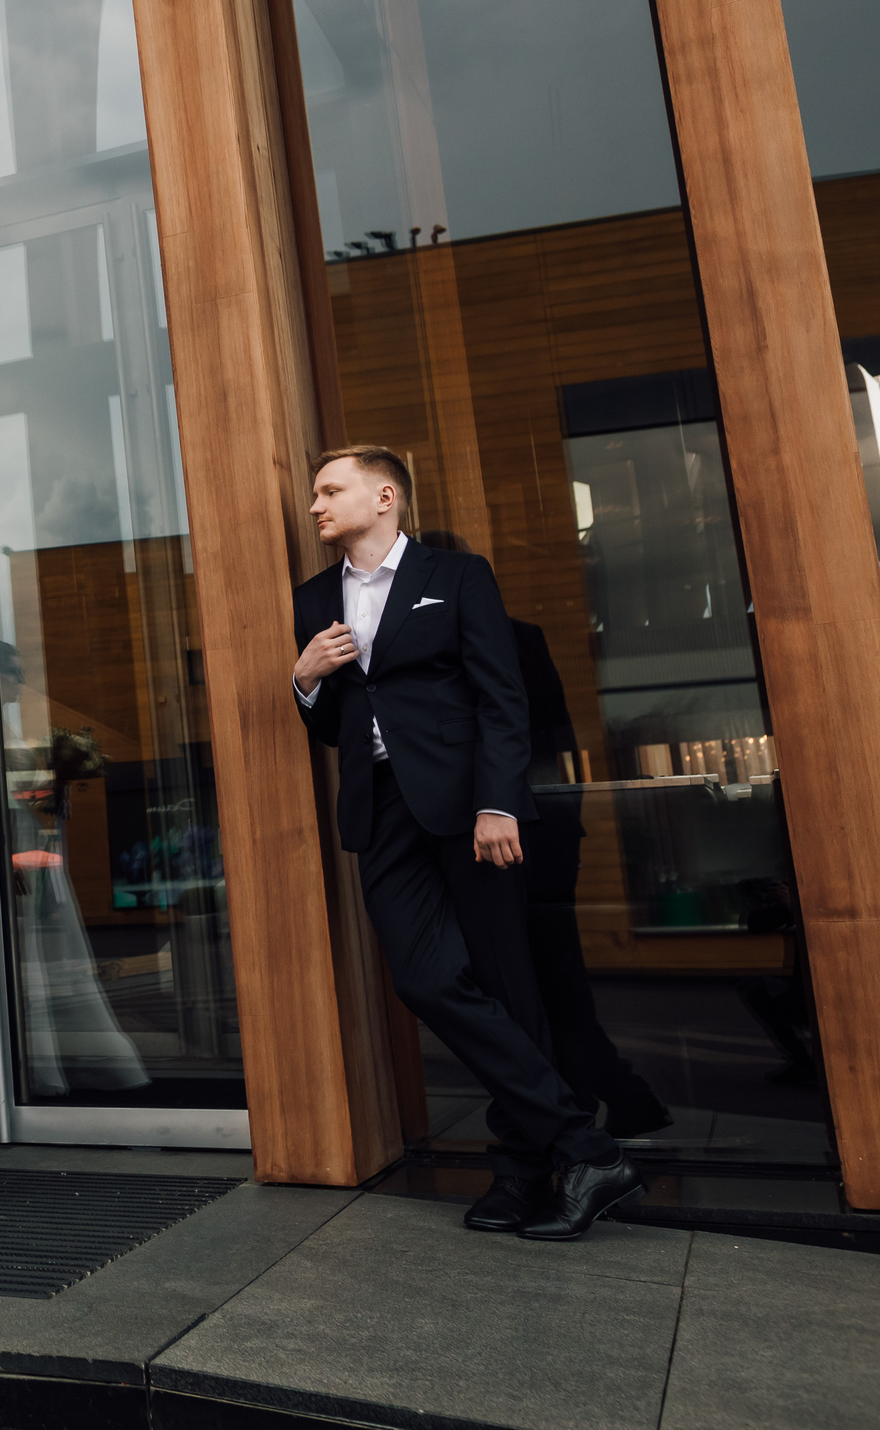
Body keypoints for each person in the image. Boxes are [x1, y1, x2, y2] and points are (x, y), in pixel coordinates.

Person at [292, 448, 640, 1240]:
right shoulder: (315, 595)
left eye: (329, 490)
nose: (315, 505)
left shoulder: (457, 575)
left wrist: (497, 804)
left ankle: (524, 1175)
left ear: (385, 496)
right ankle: (585, 1145)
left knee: (507, 983)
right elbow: (333, 723)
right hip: (381, 812)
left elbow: (499, 694)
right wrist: (305, 677)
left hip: (467, 807)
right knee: (424, 978)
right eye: (315, 493)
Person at [414, 529, 670, 1142]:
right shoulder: (519, 634)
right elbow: (556, 740)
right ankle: (601, 1098)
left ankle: (578, 1107)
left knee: (532, 974)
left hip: (513, 825)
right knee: (540, 972)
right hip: (543, 823)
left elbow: (532, 735)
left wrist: (501, 808)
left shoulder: (497, 638)